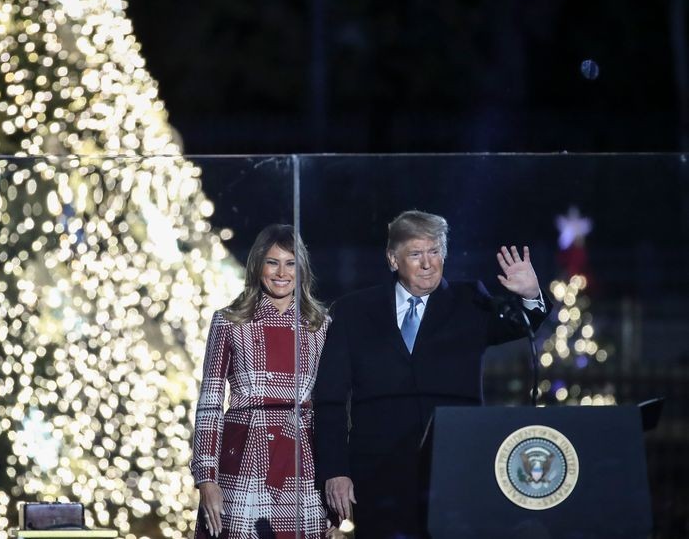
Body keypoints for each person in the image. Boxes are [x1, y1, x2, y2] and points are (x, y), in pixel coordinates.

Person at [313, 210, 549, 538]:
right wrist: (335, 470)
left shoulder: (470, 301)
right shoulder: (353, 311)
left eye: (435, 251)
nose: (428, 263)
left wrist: (530, 296)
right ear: (393, 260)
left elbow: (519, 324)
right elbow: (330, 400)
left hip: (454, 470)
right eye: (415, 254)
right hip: (377, 477)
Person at [191, 224, 331, 539]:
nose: (282, 272)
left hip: (303, 460)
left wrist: (334, 475)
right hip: (243, 456)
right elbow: (210, 403)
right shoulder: (229, 321)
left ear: (302, 269)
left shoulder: (321, 326)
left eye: (291, 263)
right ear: (258, 266)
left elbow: (332, 408)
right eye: (273, 262)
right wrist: (206, 478)